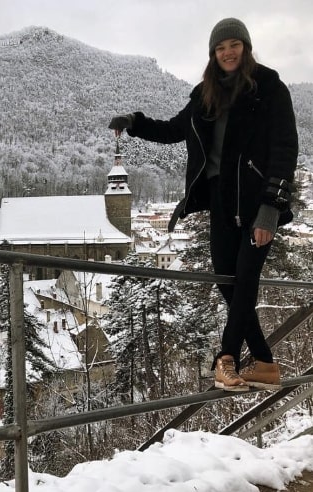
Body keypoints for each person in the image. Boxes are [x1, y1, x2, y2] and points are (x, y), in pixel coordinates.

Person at [108, 18, 298, 392]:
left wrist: (271, 208)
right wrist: (134, 122)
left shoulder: (269, 87)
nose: (228, 52)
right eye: (220, 47)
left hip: (257, 204)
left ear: (245, 48)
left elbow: (285, 149)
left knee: (245, 281)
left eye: (234, 45)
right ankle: (264, 364)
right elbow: (173, 130)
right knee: (229, 283)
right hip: (219, 202)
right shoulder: (204, 94)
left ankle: (225, 359)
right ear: (213, 54)